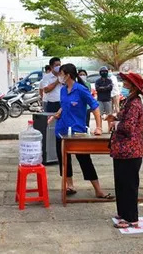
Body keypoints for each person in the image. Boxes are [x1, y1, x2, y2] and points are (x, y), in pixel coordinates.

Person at [49, 63, 112, 199]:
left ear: (68, 75)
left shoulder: (81, 90)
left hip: (77, 132)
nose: (59, 76)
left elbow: (95, 107)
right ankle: (70, 186)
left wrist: (99, 127)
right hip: (61, 130)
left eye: (61, 74)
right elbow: (64, 107)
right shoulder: (63, 90)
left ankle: (98, 190)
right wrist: (57, 114)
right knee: (64, 160)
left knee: (85, 160)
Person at [105, 72, 143, 229]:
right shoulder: (130, 101)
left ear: (133, 86)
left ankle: (131, 218)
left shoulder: (135, 104)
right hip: (123, 150)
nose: (124, 84)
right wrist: (113, 116)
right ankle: (123, 212)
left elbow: (128, 126)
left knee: (128, 185)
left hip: (131, 150)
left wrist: (115, 124)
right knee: (121, 182)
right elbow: (122, 115)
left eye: (127, 82)